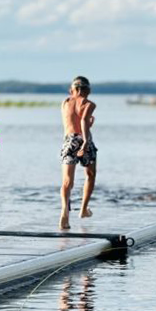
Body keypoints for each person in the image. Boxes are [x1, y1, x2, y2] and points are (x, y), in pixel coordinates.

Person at [60, 76, 96, 230]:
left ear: (71, 90)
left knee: (67, 181)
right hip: (83, 140)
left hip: (69, 141)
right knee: (90, 174)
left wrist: (86, 124)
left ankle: (64, 213)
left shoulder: (65, 103)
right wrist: (86, 141)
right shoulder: (89, 103)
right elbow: (82, 121)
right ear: (87, 90)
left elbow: (70, 123)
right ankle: (83, 210)